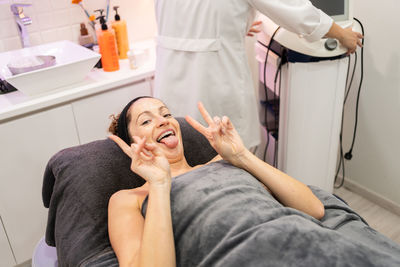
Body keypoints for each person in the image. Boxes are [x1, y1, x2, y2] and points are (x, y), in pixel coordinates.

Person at [106, 97, 400, 267]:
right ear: (131, 144)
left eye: (166, 114)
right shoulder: (131, 198)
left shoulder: (223, 161)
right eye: (146, 121)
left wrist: (242, 155)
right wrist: (159, 184)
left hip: (315, 242)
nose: (163, 121)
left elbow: (314, 209)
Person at [153, 0, 364, 149]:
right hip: (213, 86)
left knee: (178, 156)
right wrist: (342, 33)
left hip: (168, 85)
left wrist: (236, 25)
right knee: (224, 162)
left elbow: (191, 20)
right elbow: (295, 11)